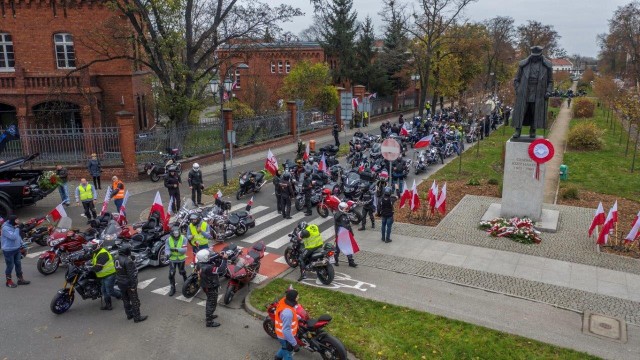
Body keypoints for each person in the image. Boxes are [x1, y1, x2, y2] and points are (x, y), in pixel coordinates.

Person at [511, 45, 553, 139]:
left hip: (539, 92)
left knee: (535, 111)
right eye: (533, 56)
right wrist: (518, 90)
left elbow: (550, 81)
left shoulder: (547, 66)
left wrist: (548, 91)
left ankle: (533, 130)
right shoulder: (523, 65)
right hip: (524, 91)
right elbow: (516, 80)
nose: (535, 58)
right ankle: (518, 130)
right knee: (522, 111)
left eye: (537, 56)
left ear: (541, 55)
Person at [83, 239, 122, 310]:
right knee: (103, 291)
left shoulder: (103, 253)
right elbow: (88, 257)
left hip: (109, 275)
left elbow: (98, 267)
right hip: (102, 275)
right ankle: (108, 305)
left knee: (109, 291)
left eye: (93, 245)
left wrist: (88, 269)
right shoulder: (96, 252)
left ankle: (121, 295)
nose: (92, 247)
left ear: (98, 246)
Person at [114, 244, 147, 323]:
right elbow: (131, 275)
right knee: (135, 300)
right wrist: (133, 286)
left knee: (125, 300)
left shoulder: (116, 258)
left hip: (120, 282)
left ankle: (129, 314)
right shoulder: (128, 261)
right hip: (128, 283)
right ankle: (137, 317)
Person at [197, 249, 228, 328]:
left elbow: (208, 259)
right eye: (208, 256)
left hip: (205, 285)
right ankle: (209, 321)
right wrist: (224, 259)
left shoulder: (199, 264)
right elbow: (221, 269)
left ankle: (210, 315)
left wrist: (218, 255)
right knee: (211, 303)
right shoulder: (209, 268)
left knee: (210, 301)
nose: (209, 257)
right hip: (211, 287)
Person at [2, 215, 30, 288]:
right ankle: (8, 282)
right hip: (8, 250)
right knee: (10, 266)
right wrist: (18, 229)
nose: (18, 221)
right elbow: (13, 237)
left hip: (17, 249)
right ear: (12, 221)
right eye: (16, 220)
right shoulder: (5, 228)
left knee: (18, 264)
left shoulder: (14, 226)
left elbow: (18, 237)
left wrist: (23, 245)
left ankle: (20, 279)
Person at [274, 288, 300, 360]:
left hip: (282, 335)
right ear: (293, 299)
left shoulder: (284, 301)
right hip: (285, 337)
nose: (299, 297)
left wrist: (297, 317)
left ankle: (278, 357)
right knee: (288, 354)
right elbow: (286, 330)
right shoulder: (287, 313)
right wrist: (294, 344)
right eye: (297, 296)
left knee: (284, 348)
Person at [333, 202, 357, 267]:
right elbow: (336, 217)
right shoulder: (338, 214)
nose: (347, 210)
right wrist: (342, 212)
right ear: (341, 208)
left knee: (348, 248)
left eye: (347, 208)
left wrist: (351, 232)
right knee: (337, 249)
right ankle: (335, 260)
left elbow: (348, 224)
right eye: (345, 208)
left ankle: (351, 262)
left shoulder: (346, 214)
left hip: (346, 234)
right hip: (340, 234)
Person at [166, 227, 187, 297]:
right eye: (174, 234)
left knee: (182, 271)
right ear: (172, 234)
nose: (176, 235)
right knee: (171, 273)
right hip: (172, 259)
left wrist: (175, 249)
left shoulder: (183, 238)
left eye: (177, 233)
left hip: (181, 258)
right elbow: (167, 249)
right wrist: (167, 253)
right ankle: (172, 287)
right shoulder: (168, 240)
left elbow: (184, 250)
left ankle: (186, 281)